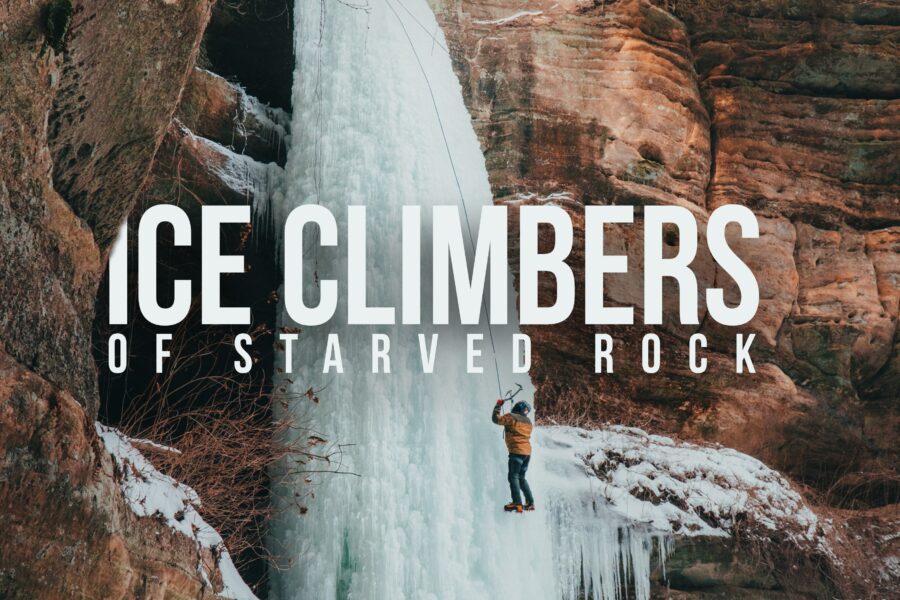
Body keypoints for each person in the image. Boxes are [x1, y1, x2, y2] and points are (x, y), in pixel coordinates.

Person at [492, 398, 535, 513]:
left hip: (516, 452)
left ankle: (517, 502)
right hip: (527, 453)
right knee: (521, 478)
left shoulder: (512, 417)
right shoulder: (528, 422)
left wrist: (498, 406)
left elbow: (496, 419)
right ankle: (530, 503)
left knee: (513, 476)